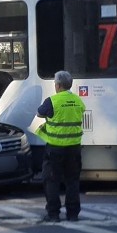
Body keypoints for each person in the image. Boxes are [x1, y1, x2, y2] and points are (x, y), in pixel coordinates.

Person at [36, 70, 86, 222]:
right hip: (74, 148)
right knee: (72, 181)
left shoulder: (52, 101)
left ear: (57, 85)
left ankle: (53, 214)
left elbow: (39, 113)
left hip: (55, 149)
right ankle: (72, 214)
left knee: (52, 181)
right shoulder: (78, 101)